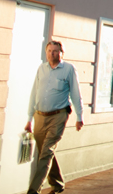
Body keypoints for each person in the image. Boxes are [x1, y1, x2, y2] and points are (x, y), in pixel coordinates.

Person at [25, 40, 84, 194]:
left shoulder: (69, 69)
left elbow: (76, 93)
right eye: (50, 50)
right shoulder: (41, 69)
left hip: (58, 115)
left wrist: (79, 116)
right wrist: (29, 118)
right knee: (46, 152)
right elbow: (34, 93)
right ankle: (58, 184)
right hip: (39, 116)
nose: (52, 53)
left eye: (56, 51)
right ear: (46, 52)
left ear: (61, 53)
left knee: (46, 152)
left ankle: (33, 190)